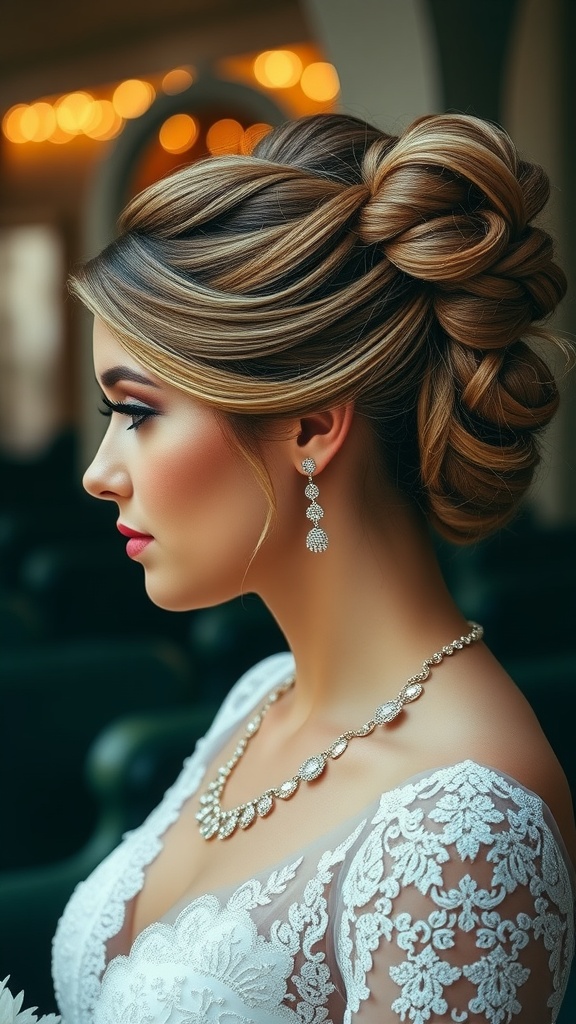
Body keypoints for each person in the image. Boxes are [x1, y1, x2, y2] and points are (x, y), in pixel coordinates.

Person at [52, 112, 575, 1023]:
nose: (99, 473)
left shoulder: (465, 825)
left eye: (136, 412)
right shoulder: (258, 699)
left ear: (308, 427)